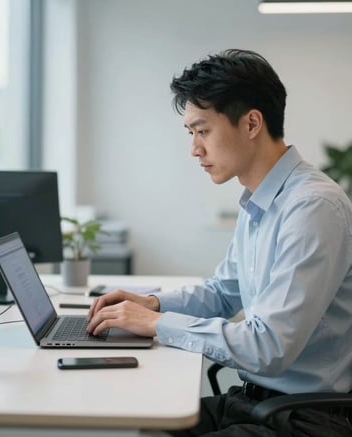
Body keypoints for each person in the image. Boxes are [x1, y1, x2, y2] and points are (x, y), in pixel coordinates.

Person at [87, 49, 352, 436]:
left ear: (251, 123)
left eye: (202, 130)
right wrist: (153, 304)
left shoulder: (313, 207)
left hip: (306, 419)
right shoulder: (260, 200)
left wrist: (158, 324)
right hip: (258, 401)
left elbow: (269, 347)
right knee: (148, 421)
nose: (194, 148)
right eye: (191, 133)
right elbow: (224, 292)